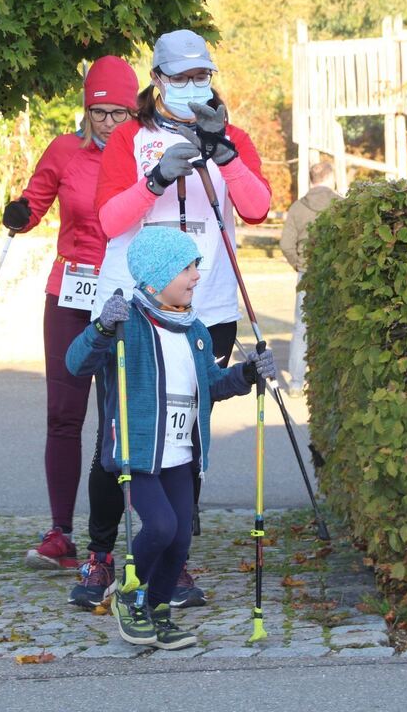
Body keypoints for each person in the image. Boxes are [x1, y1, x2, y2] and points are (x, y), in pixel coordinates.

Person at [68, 29, 272, 609]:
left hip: (206, 305)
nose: (191, 86)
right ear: (156, 80)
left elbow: (257, 207)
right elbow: (108, 221)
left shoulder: (231, 136)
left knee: (188, 428)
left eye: (200, 75)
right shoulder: (130, 137)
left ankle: (170, 559)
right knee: (121, 431)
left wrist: (223, 154)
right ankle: (101, 554)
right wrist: (155, 180)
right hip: (134, 303)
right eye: (179, 77)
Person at [66, 225, 276, 648]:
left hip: (181, 453)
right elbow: (77, 363)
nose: (197, 276)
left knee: (180, 537)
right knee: (160, 526)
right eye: (187, 267)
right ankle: (129, 594)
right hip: (139, 452)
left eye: (196, 265)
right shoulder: (128, 324)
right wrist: (103, 328)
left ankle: (158, 608)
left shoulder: (195, 331)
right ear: (157, 276)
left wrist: (247, 373)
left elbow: (212, 385)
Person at [0, 56, 139, 571]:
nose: (107, 122)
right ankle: (60, 532)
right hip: (70, 293)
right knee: (64, 415)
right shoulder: (63, 150)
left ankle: (115, 533)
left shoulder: (143, 154)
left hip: (122, 296)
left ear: (133, 112)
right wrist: (20, 212)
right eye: (98, 112)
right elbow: (35, 199)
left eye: (118, 112)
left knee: (118, 419)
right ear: (86, 110)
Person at [278, 160, 340, 396]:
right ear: (330, 178)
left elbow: (285, 243)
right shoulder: (340, 205)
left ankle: (296, 383)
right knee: (334, 324)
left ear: (312, 180)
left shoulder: (297, 208)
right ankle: (330, 381)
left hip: (307, 272)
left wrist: (299, 263)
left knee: (301, 326)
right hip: (334, 272)